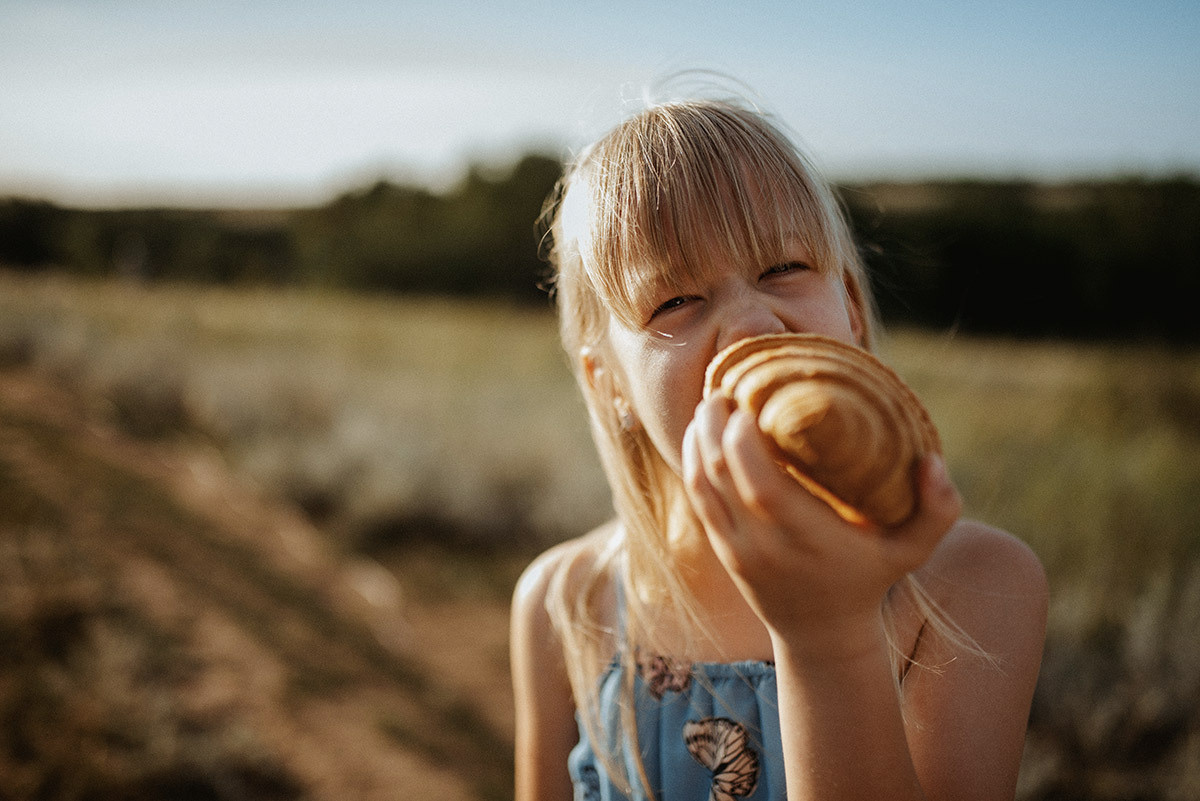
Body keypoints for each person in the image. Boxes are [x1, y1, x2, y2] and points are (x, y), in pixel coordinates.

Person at [510, 92, 1048, 801]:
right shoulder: (565, 600)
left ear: (851, 312)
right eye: (673, 302)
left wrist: (829, 636)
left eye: (783, 268)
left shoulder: (974, 582)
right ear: (608, 381)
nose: (753, 323)